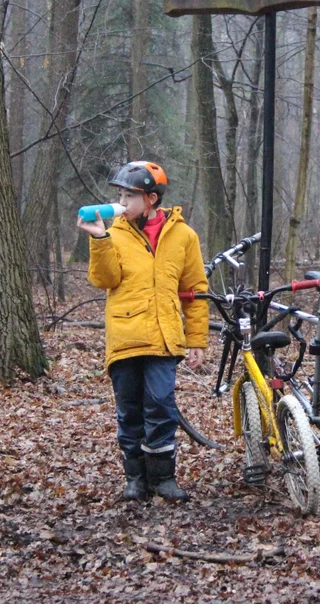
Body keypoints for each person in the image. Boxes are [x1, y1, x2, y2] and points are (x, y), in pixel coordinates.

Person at [77, 160, 209, 502]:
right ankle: (135, 478)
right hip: (125, 338)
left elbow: (193, 290)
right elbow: (104, 280)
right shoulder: (115, 232)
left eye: (128, 195)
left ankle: (162, 476)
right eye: (119, 193)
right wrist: (100, 239)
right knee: (130, 410)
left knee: (161, 405)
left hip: (164, 339)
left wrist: (196, 339)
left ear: (151, 198)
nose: (121, 201)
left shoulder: (183, 236)